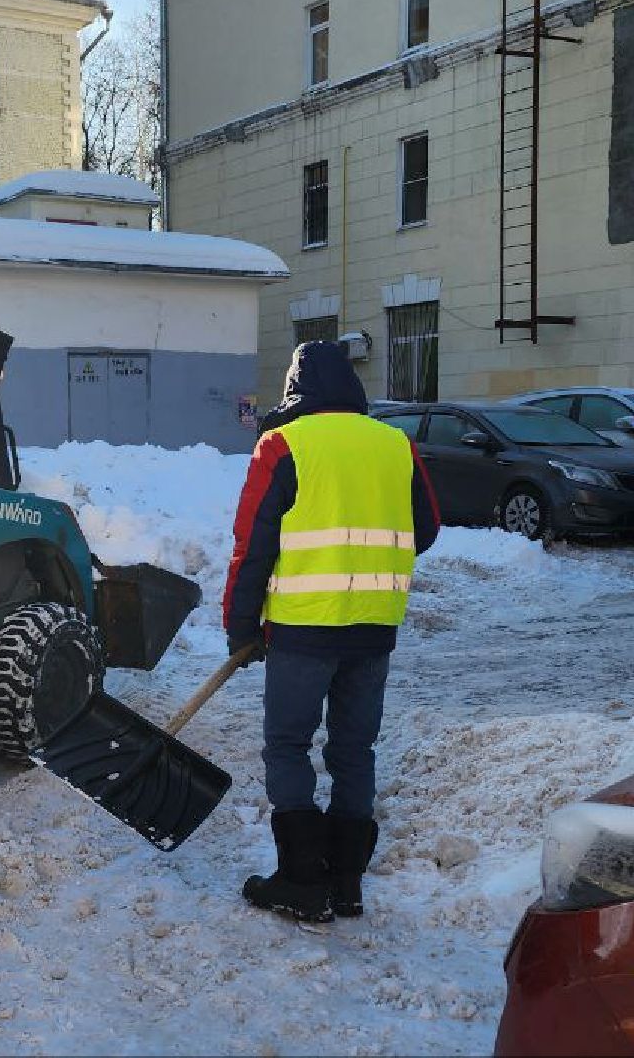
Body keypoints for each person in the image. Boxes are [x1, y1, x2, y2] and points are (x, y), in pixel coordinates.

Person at [223, 339, 440, 922]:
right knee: (353, 748)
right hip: (375, 628)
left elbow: (253, 545)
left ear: (297, 389)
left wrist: (240, 624)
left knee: (289, 745)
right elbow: (427, 529)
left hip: (304, 626)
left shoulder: (283, 443)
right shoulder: (396, 443)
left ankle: (300, 880)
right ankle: (345, 883)